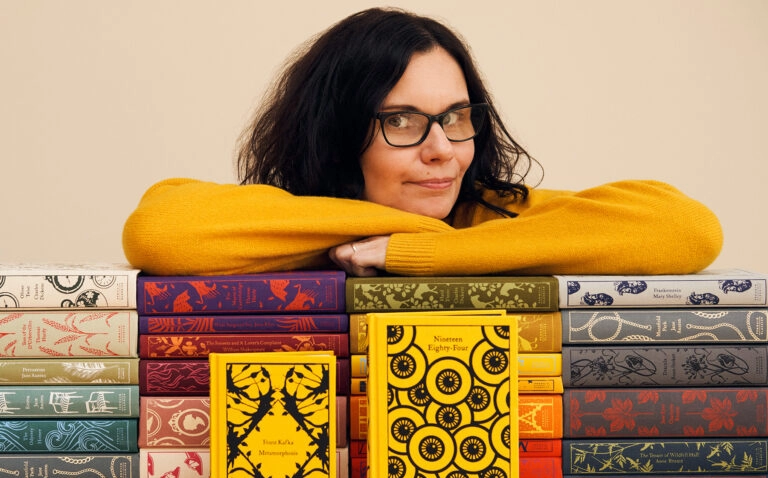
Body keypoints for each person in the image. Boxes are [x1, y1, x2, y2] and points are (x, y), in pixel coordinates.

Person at [122, 7, 722, 277]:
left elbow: (686, 229)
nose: (444, 151)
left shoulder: (491, 215)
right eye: (403, 122)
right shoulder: (292, 224)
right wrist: (364, 233)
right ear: (337, 133)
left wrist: (425, 254)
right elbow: (159, 232)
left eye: (457, 117)